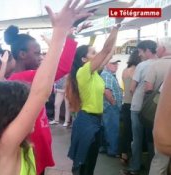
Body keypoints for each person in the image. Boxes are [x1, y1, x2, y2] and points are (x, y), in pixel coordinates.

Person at [0, 1, 92, 175]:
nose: (31, 114)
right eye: (37, 53)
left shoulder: (14, 145)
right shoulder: (7, 144)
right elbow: (42, 92)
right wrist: (62, 33)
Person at [4, 7, 93, 174]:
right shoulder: (24, 78)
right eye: (37, 53)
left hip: (36, 142)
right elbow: (63, 66)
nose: (40, 57)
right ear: (22, 54)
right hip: (32, 144)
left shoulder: (19, 77)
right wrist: (68, 34)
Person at [66, 19, 122, 175]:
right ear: (84, 60)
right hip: (86, 121)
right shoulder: (83, 72)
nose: (96, 55)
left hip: (96, 120)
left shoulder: (95, 74)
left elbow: (109, 52)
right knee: (82, 164)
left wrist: (116, 29)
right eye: (93, 53)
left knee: (90, 163)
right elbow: (106, 50)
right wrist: (115, 25)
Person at [121, 40, 158, 175]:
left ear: (147, 50)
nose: (140, 55)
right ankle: (152, 168)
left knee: (136, 138)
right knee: (151, 138)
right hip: (154, 108)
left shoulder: (141, 66)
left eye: (141, 52)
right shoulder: (161, 64)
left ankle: (135, 167)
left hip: (137, 107)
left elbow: (131, 88)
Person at [145, 37, 171, 175]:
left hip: (164, 123)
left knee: (159, 161)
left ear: (163, 49)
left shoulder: (154, 65)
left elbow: (148, 88)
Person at [119, 49, 141, 165]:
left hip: (125, 103)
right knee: (135, 132)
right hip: (134, 104)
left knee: (126, 130)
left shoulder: (124, 71)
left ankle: (123, 154)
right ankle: (134, 156)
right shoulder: (138, 70)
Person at [100, 57, 123, 157]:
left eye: (117, 64)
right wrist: (114, 103)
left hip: (108, 106)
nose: (116, 66)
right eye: (113, 64)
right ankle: (113, 150)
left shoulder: (108, 75)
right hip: (110, 107)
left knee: (107, 128)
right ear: (106, 65)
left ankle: (105, 148)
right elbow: (107, 91)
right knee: (112, 129)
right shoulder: (107, 75)